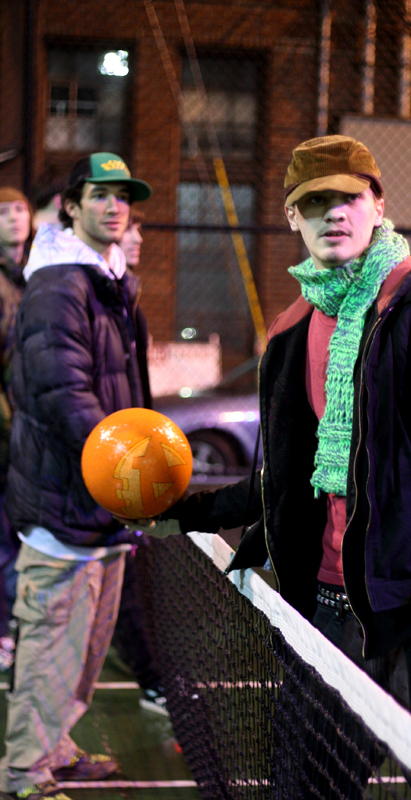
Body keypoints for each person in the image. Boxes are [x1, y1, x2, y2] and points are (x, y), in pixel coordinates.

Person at [134, 135, 411, 794]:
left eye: (348, 197)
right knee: (304, 788)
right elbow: (288, 479)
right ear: (292, 218)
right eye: (315, 203)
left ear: (378, 205)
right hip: (328, 615)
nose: (333, 214)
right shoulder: (291, 331)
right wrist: (184, 508)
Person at [0, 152, 152, 800]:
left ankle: (55, 748)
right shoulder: (61, 285)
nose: (114, 206)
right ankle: (25, 775)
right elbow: (63, 391)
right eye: (99, 195)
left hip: (102, 505)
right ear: (69, 206)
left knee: (84, 651)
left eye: (123, 196)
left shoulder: (111, 283)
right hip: (66, 502)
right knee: (49, 648)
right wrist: (128, 464)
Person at [110, 210, 169, 716]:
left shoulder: (130, 305)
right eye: (130, 228)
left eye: (138, 227)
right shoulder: (88, 300)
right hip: (99, 472)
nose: (137, 238)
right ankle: (153, 680)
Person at [0, 189, 31, 673]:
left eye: (18, 209)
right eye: (2, 212)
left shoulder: (40, 276)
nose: (12, 218)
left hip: (31, 431)